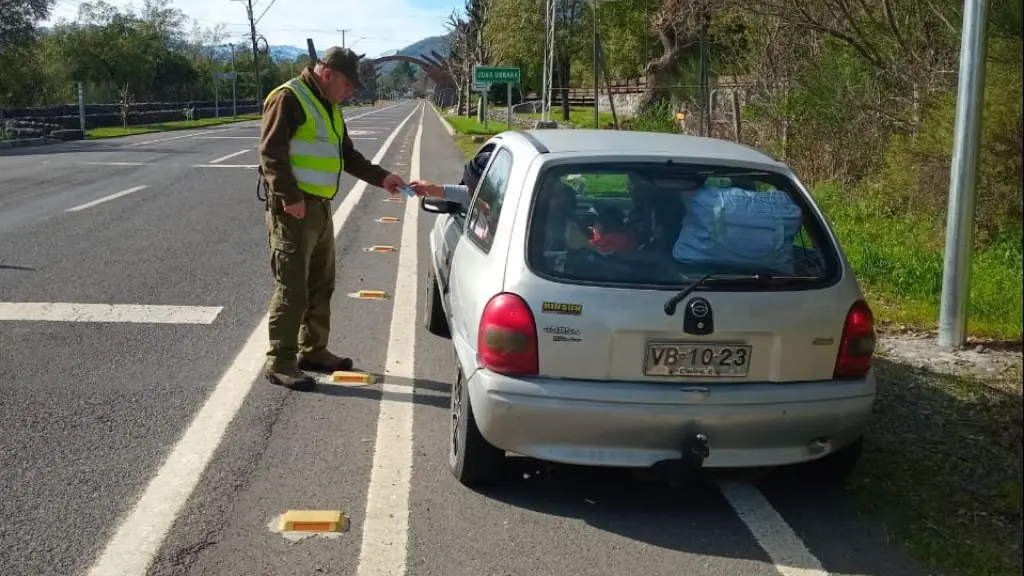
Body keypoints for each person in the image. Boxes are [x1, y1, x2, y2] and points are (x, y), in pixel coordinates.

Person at [258, 46, 407, 391]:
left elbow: (347, 155)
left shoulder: (328, 107)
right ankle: (280, 360)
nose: (350, 90)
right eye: (347, 83)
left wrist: (383, 177)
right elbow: (271, 153)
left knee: (321, 283)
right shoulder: (289, 98)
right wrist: (290, 197)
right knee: (292, 287)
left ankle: (313, 350)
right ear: (327, 74)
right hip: (294, 210)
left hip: (321, 207)